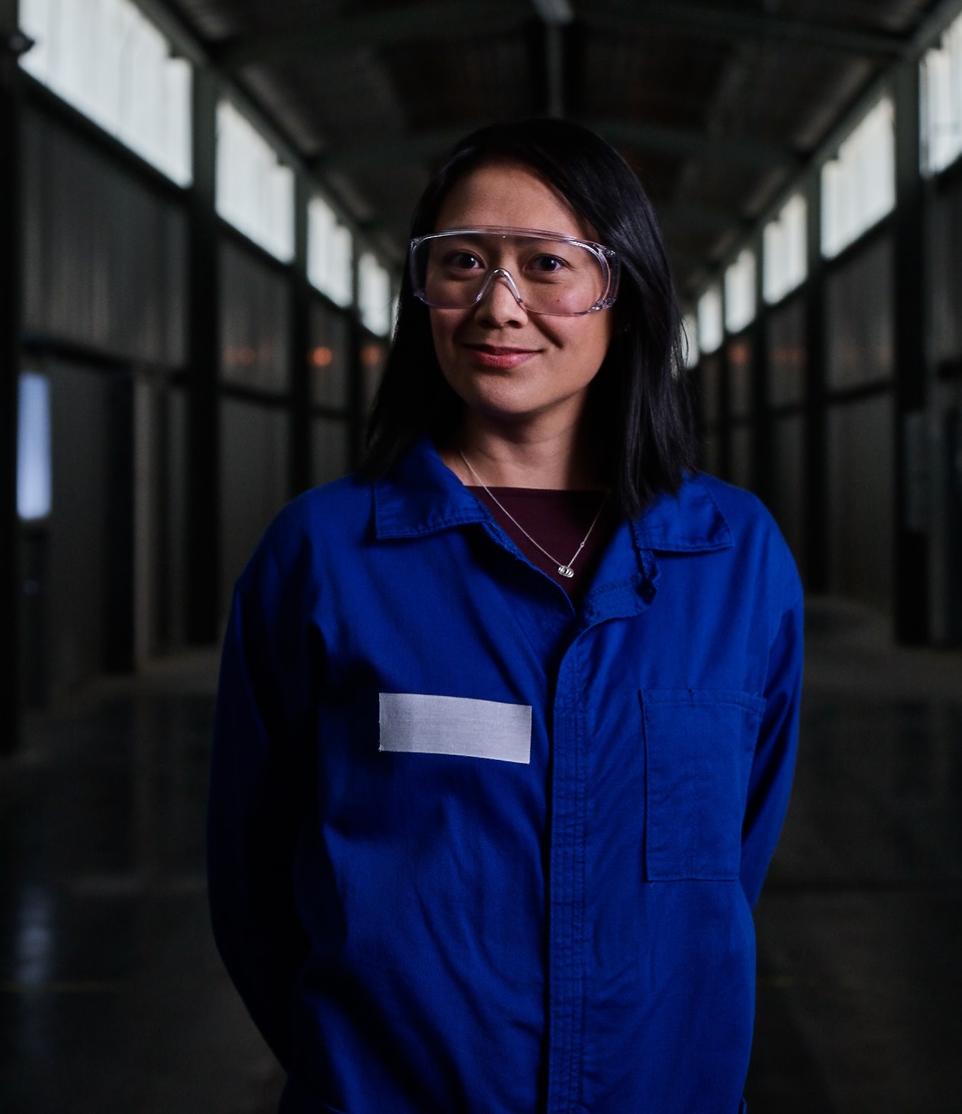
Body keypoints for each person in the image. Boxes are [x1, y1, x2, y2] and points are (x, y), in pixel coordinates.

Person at [207, 118, 803, 1114]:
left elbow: (732, 865)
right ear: (420, 291)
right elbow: (254, 883)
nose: (500, 305)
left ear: (625, 291)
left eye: (546, 264)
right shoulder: (323, 557)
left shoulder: (733, 561)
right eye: (464, 263)